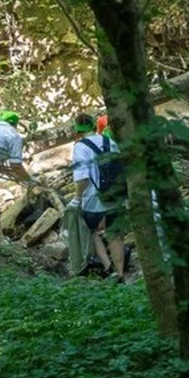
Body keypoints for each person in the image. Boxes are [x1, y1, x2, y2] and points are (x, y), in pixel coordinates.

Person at [69, 113, 126, 279]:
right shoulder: (110, 142)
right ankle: (120, 274)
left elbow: (82, 177)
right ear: (94, 126)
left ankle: (108, 267)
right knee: (116, 235)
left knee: (91, 231)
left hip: (94, 199)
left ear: (77, 130)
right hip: (117, 195)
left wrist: (77, 199)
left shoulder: (80, 147)